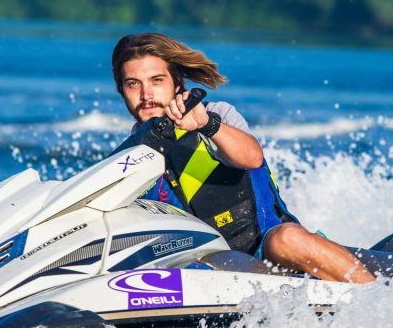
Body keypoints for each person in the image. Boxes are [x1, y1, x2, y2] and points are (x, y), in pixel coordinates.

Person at [111, 33, 375, 283]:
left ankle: (376, 297)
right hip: (205, 263)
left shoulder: (216, 114)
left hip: (269, 244)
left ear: (177, 82)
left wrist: (206, 124)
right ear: (122, 90)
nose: (146, 95)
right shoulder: (126, 159)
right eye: (133, 84)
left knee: (286, 240)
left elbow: (252, 157)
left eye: (157, 80)